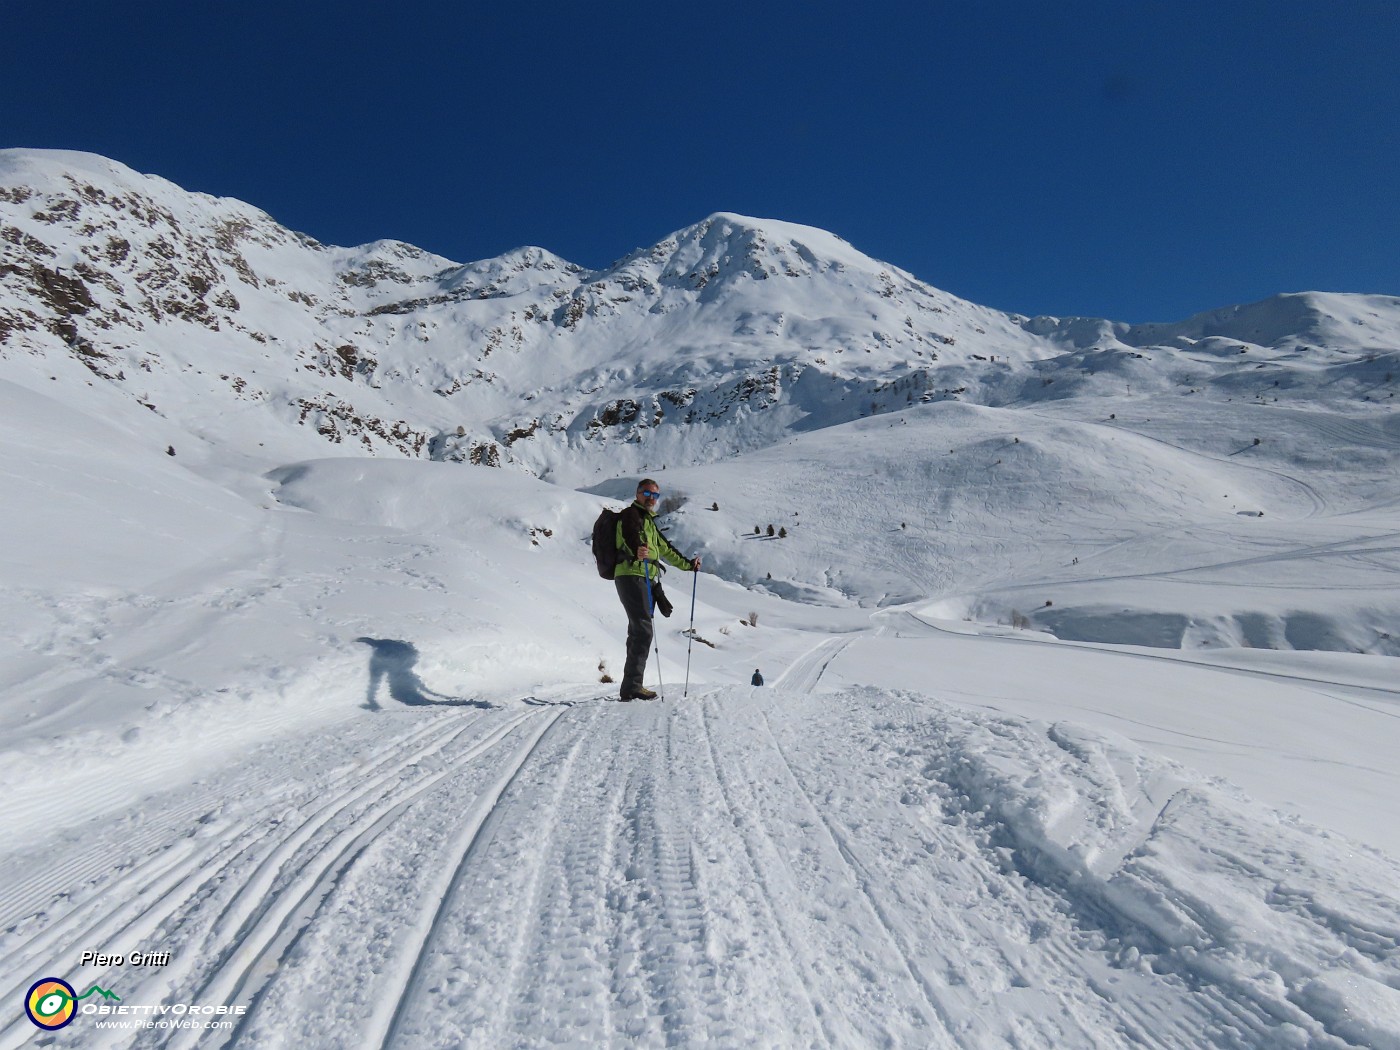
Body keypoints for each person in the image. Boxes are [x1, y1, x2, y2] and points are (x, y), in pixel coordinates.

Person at [614, 479, 701, 701]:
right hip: (632, 575)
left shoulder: (650, 522)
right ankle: (632, 686)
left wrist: (689, 565)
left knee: (638, 630)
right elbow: (630, 535)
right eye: (647, 493)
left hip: (645, 578)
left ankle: (630, 686)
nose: (651, 498)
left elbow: (666, 550)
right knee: (642, 630)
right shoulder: (630, 515)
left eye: (655, 495)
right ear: (637, 493)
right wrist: (637, 550)